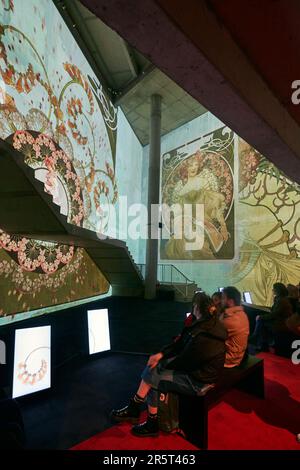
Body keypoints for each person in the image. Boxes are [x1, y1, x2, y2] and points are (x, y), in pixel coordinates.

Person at [111, 292, 227, 437]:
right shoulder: (204, 324)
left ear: (196, 307)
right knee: (155, 370)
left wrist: (163, 363)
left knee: (155, 376)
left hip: (199, 381)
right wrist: (161, 355)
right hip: (195, 371)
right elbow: (180, 344)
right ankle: (138, 411)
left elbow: (187, 361)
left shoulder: (205, 333)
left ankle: (146, 418)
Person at [164, 151, 230, 260]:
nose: (194, 168)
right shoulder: (181, 191)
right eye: (190, 165)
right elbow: (179, 214)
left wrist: (223, 225)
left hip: (203, 221)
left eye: (196, 165)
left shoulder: (203, 182)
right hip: (186, 224)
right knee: (180, 242)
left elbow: (214, 204)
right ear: (186, 168)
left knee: (197, 242)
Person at [250, 283, 293, 350]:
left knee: (261, 320)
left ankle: (260, 342)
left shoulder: (282, 301)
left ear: (277, 290)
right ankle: (261, 342)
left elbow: (273, 314)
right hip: (279, 320)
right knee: (261, 320)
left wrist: (261, 317)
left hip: (282, 323)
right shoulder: (279, 299)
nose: (272, 290)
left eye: (274, 289)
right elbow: (274, 311)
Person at [219, 286, 249, 367]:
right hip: (239, 356)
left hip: (229, 359)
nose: (220, 301)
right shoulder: (242, 314)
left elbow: (212, 332)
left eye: (222, 298)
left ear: (230, 301)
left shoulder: (231, 320)